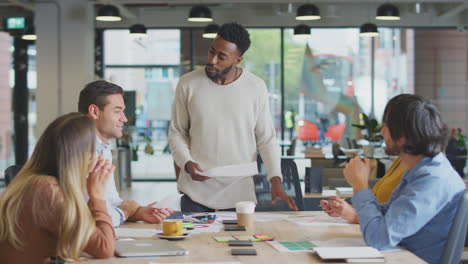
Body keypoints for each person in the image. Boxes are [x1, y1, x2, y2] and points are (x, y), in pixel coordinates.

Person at [169, 22, 298, 212]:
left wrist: (275, 178)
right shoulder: (188, 83)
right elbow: (177, 133)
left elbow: (266, 139)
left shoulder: (255, 87)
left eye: (221, 57)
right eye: (211, 52)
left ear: (238, 60)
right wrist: (186, 162)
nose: (212, 60)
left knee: (241, 241)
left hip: (240, 195)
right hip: (195, 193)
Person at [342, 94, 464, 264]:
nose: (382, 131)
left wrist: (361, 186)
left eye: (386, 125)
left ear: (403, 136)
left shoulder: (432, 180)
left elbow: (378, 239)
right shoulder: (421, 169)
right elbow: (389, 214)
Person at [0, 113, 115, 263]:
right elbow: (104, 247)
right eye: (95, 151)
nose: (98, 158)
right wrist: (98, 197)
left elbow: (86, 232)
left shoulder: (34, 182)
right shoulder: (46, 190)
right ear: (82, 157)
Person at [79, 80, 173, 227]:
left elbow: (110, 200)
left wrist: (138, 212)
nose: (124, 118)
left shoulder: (103, 147)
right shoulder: (80, 150)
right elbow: (94, 216)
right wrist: (126, 211)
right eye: (117, 111)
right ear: (94, 112)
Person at [321, 157, 407, 224]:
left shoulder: (415, 167)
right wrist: (344, 209)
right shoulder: (401, 160)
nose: (382, 133)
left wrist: (355, 216)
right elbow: (382, 208)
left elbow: (397, 221)